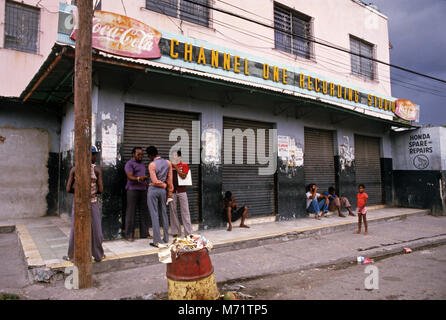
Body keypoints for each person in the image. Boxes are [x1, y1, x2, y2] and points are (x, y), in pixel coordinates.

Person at [64, 146, 105, 262]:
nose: (96, 157)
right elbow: (101, 190)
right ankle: (98, 255)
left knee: (75, 229)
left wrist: (79, 193)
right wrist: (90, 193)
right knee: (96, 230)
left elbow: (68, 189)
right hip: (92, 202)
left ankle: (72, 256)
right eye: (94, 154)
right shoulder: (96, 169)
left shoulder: (74, 169)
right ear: (89, 155)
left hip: (78, 203)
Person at [146, 146, 173, 247]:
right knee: (164, 213)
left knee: (154, 215)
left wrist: (163, 185)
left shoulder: (152, 164)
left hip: (153, 190)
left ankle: (157, 241)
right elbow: (170, 179)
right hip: (163, 191)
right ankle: (166, 238)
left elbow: (154, 181)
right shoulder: (168, 163)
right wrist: (169, 190)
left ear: (150, 155)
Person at [124, 147, 150, 241]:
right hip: (132, 190)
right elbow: (130, 176)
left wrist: (147, 184)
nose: (140, 156)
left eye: (142, 154)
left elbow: (143, 176)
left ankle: (144, 233)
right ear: (133, 154)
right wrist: (139, 178)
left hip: (143, 190)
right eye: (138, 154)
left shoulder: (142, 164)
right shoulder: (129, 164)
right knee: (131, 212)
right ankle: (129, 235)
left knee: (144, 212)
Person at [169, 150, 193, 237]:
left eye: (175, 156)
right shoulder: (170, 165)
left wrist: (176, 167)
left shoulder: (184, 165)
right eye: (172, 156)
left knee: (185, 211)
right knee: (173, 211)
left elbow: (183, 176)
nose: (173, 157)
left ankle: (188, 232)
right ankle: (175, 231)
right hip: (172, 191)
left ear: (179, 157)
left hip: (182, 190)